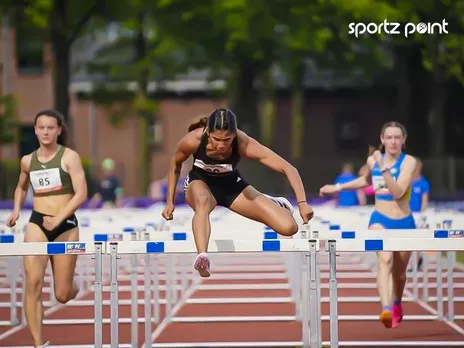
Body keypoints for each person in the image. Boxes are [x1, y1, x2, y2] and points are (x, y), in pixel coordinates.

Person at [161, 108, 314, 277]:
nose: (221, 145)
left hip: (231, 187)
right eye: (216, 139)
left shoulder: (243, 142)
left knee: (289, 227)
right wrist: (170, 201)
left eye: (227, 140)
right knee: (203, 202)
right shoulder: (193, 140)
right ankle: (202, 257)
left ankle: (274, 203)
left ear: (234, 135)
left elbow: (288, 168)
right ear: (208, 132)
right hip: (199, 184)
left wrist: (302, 203)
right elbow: (175, 164)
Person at [320, 121, 416, 329]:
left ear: (403, 140)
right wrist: (337, 187)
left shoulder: (408, 162)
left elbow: (398, 192)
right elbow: (365, 181)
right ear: (382, 139)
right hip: (380, 219)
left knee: (399, 273)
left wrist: (383, 168)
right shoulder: (373, 161)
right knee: (385, 258)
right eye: (389, 137)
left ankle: (397, 302)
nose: (393, 141)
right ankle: (386, 308)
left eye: (397, 137)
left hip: (405, 222)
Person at [6, 109, 88, 348]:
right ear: (34, 130)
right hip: (37, 223)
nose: (45, 131)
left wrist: (60, 217)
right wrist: (16, 210)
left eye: (50, 127)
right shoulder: (27, 161)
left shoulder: (69, 157)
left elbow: (81, 193)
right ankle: (38, 344)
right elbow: (21, 187)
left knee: (61, 295)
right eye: (41, 127)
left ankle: (73, 285)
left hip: (66, 225)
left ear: (59, 130)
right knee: (32, 284)